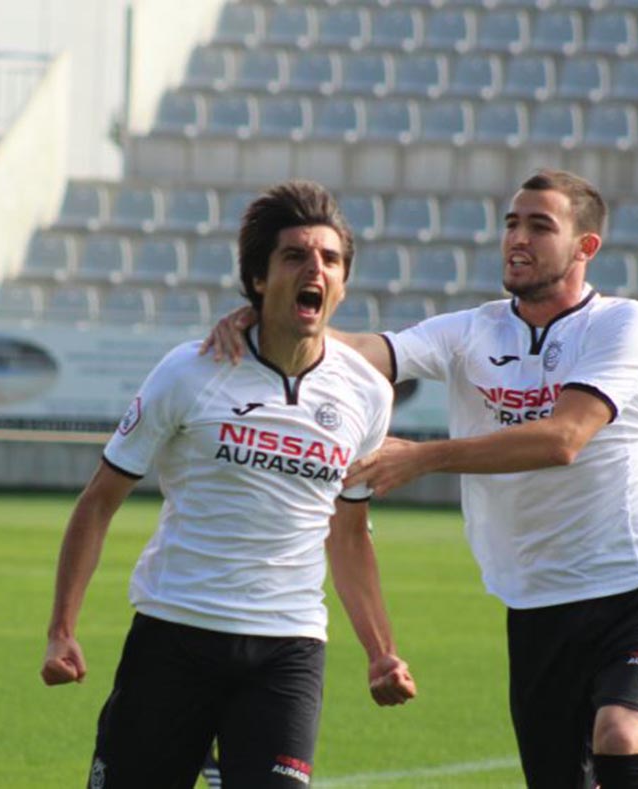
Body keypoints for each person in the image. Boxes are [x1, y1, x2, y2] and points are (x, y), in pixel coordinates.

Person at [208, 169, 638, 789]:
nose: (517, 237)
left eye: (540, 225)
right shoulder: (473, 330)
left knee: (621, 735)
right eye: (511, 223)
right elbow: (366, 353)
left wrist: (424, 456)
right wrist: (266, 317)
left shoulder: (623, 324)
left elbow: (563, 438)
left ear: (585, 248)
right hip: (535, 604)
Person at [42, 181, 417, 788]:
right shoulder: (190, 371)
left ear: (343, 283)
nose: (314, 268)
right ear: (259, 280)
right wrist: (62, 629)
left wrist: (380, 651)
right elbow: (99, 501)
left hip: (288, 647)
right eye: (294, 255)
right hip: (175, 634)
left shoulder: (367, 395)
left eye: (329, 259)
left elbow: (348, 534)